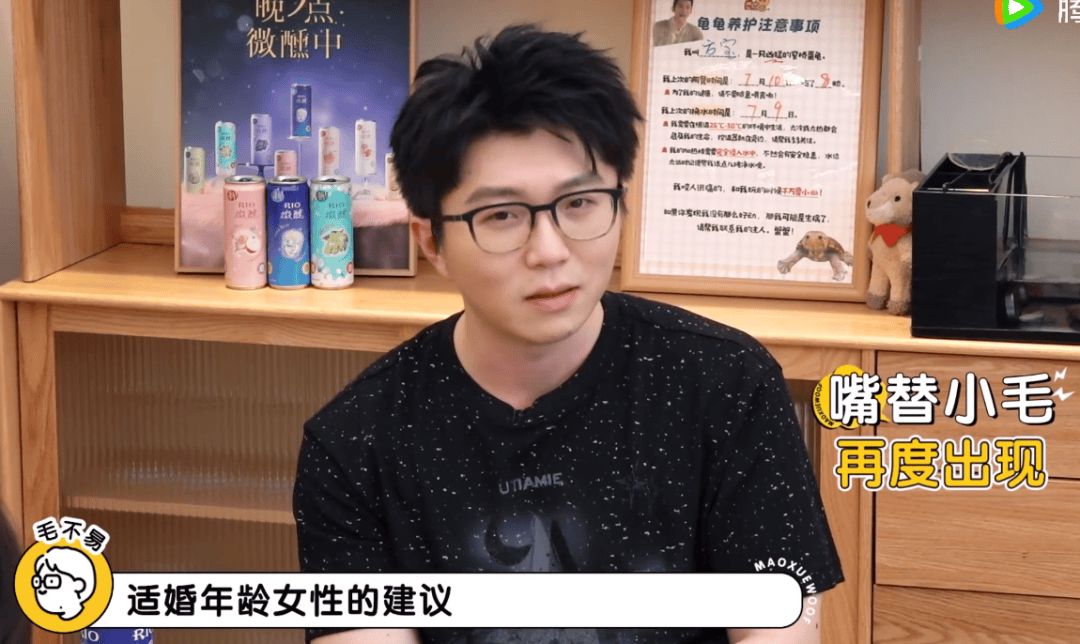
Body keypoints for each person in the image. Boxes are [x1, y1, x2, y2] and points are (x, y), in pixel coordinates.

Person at [294, 24, 843, 644]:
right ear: (431, 242)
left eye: (580, 203)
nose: (549, 251)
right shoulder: (355, 442)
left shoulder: (726, 385)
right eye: (501, 215)